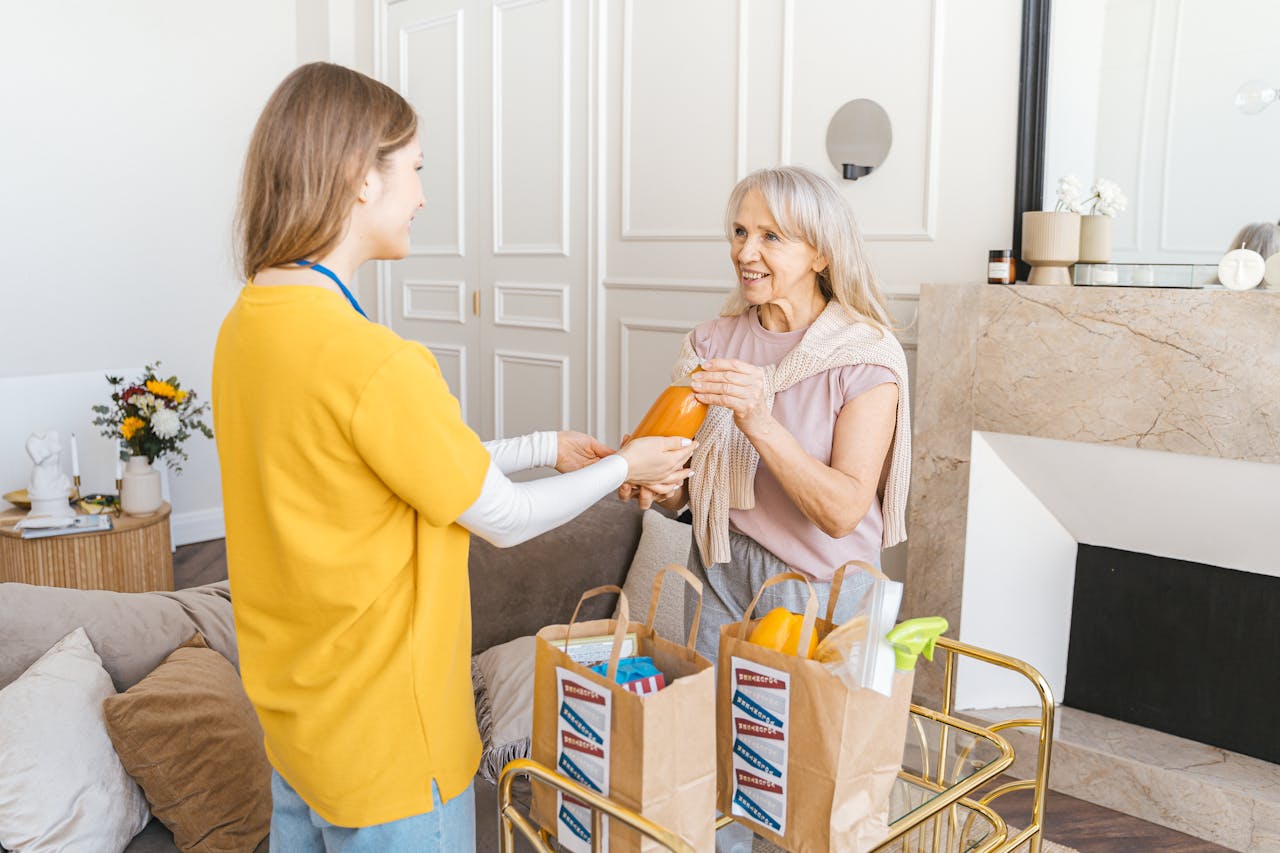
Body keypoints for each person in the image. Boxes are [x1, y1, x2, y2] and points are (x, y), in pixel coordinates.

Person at [212, 62, 692, 852]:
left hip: (298, 735)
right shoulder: (374, 360)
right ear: (357, 177)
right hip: (390, 748)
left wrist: (548, 446)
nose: (424, 196)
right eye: (415, 170)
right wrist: (626, 467)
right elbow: (500, 517)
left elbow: (387, 459)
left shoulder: (249, 325)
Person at [620, 165, 911, 850]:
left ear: (821, 252)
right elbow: (690, 476)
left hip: (821, 591)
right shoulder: (712, 342)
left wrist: (760, 416)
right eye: (740, 232)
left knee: (805, 785)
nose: (746, 252)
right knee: (716, 764)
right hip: (723, 571)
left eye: (771, 236)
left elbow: (842, 510)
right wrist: (664, 485)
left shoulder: (865, 356)